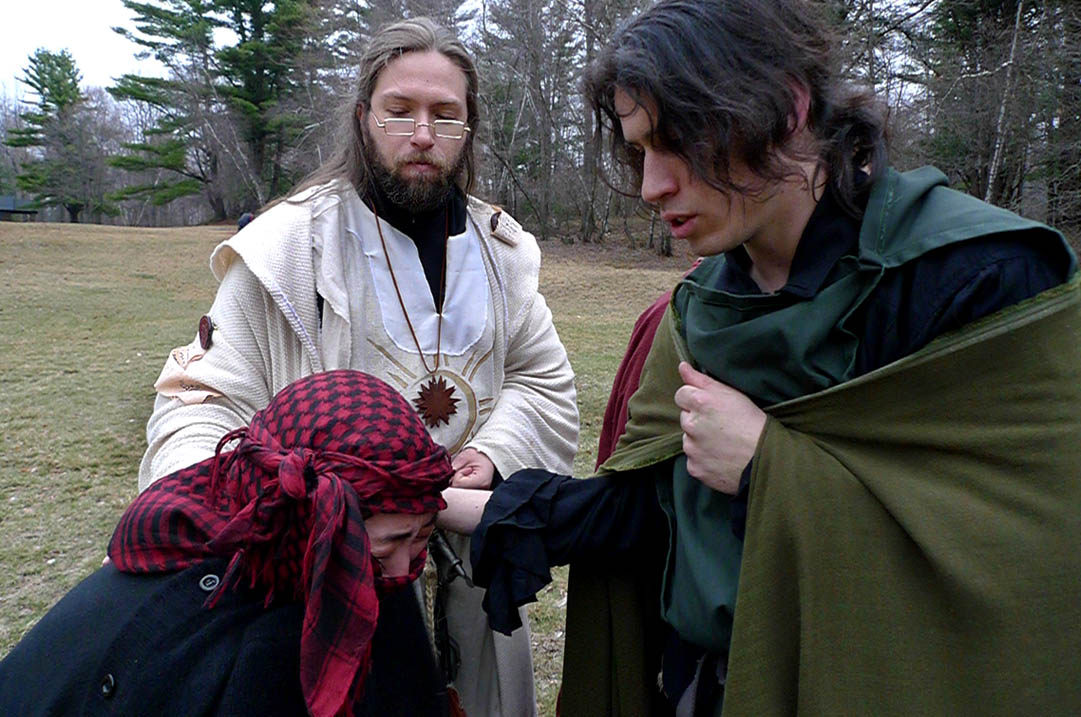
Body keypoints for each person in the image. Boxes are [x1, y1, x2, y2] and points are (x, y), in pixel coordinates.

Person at [466, 0, 1081, 714]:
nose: (651, 186)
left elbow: (1028, 551)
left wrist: (765, 463)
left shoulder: (979, 274)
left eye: (676, 142)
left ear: (785, 109)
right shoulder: (703, 307)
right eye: (639, 152)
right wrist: (437, 502)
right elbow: (655, 507)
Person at [138, 18, 578, 716]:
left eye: (446, 115)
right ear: (363, 118)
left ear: (468, 129)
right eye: (399, 111)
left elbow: (540, 380)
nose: (423, 134)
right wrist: (292, 510)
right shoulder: (287, 250)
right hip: (324, 579)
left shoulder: (503, 253)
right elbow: (201, 401)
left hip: (464, 559)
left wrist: (493, 452)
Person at [0, 370, 455, 716]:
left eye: (423, 537)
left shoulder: (342, 565)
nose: (402, 570)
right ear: (310, 521)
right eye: (386, 546)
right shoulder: (265, 654)